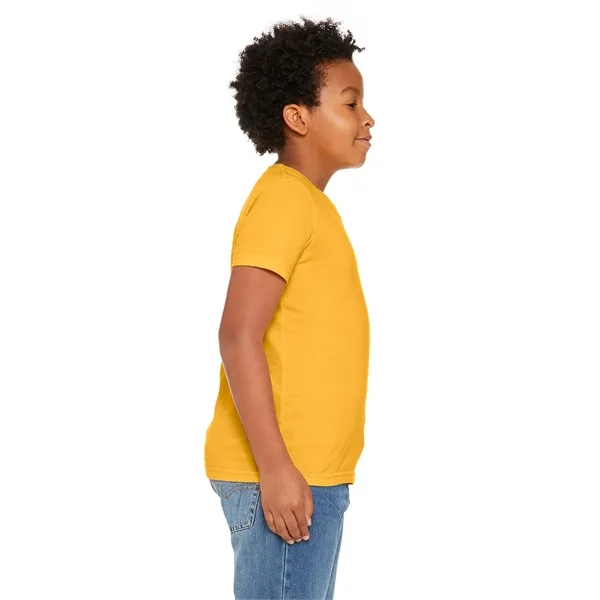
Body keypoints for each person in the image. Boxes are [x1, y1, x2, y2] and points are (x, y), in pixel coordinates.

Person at [204, 16, 375, 600]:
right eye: (350, 104)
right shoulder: (284, 199)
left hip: (310, 476)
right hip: (283, 477)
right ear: (298, 117)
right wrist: (276, 468)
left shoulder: (311, 205)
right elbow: (237, 334)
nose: (367, 118)